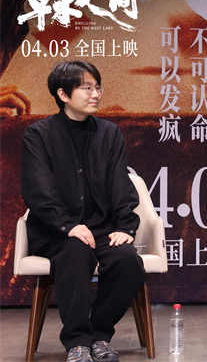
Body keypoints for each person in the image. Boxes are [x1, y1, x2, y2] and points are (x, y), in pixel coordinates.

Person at [21, 61, 144, 362]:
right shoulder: (38, 135)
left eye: (97, 87)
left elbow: (120, 184)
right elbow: (38, 191)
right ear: (63, 94)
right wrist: (68, 226)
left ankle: (99, 334)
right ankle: (76, 342)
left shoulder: (109, 133)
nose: (96, 94)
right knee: (75, 252)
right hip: (56, 230)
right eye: (87, 88)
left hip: (101, 228)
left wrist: (125, 227)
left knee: (128, 261)